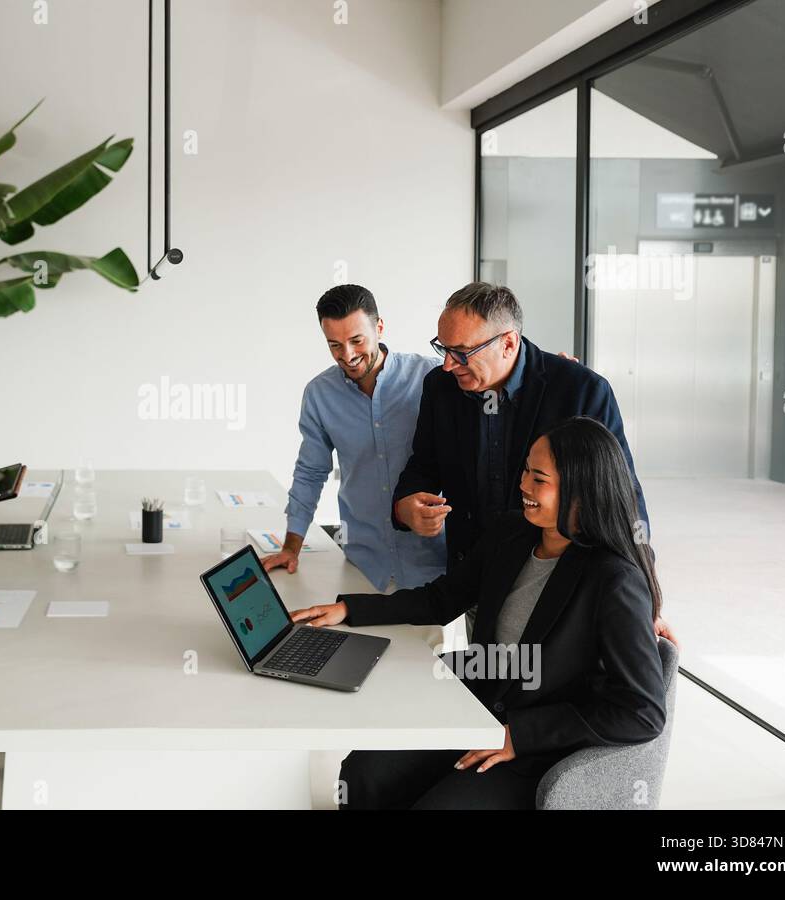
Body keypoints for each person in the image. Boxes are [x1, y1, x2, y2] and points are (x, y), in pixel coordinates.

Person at [291, 416, 668, 809]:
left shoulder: (613, 580)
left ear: (580, 492)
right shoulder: (511, 533)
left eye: (539, 479)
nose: (523, 486)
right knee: (363, 775)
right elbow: (441, 599)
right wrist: (350, 608)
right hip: (476, 706)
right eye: (525, 471)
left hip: (538, 744)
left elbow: (643, 712)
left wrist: (520, 736)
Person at [389, 282, 675, 642]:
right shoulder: (440, 388)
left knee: (544, 689)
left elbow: (622, 495)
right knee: (491, 687)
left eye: (461, 352)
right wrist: (406, 504)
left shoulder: (581, 390)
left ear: (507, 343)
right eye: (443, 348)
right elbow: (424, 464)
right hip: (479, 580)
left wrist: (646, 599)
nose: (447, 364)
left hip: (557, 584)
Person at [262, 284, 446, 596]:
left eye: (356, 340)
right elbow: (311, 472)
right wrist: (291, 546)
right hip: (363, 564)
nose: (347, 355)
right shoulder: (319, 395)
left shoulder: (433, 378)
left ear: (380, 328)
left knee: (423, 648)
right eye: (334, 345)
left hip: (432, 567)